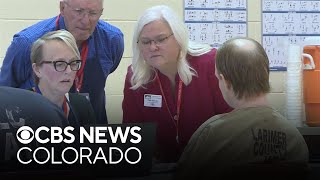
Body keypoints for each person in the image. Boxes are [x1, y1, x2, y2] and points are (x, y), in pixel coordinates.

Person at [175, 37, 309, 179]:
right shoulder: (295, 139)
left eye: (218, 79)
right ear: (266, 75)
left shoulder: (210, 134)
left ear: (226, 82)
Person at [122, 5, 232, 163]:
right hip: (163, 166)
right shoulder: (136, 76)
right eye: (146, 42)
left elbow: (232, 120)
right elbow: (132, 133)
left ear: (179, 38)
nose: (153, 47)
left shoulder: (210, 63)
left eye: (161, 39)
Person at [0, 0, 124, 124]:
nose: (86, 21)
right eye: (79, 11)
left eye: (93, 13)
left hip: (90, 126)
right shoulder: (26, 43)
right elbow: (5, 93)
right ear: (62, 8)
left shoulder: (112, 39)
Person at [31, 30, 96, 127]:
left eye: (73, 63)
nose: (69, 71)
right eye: (60, 64)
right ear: (37, 69)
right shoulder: (19, 109)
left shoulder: (81, 105)